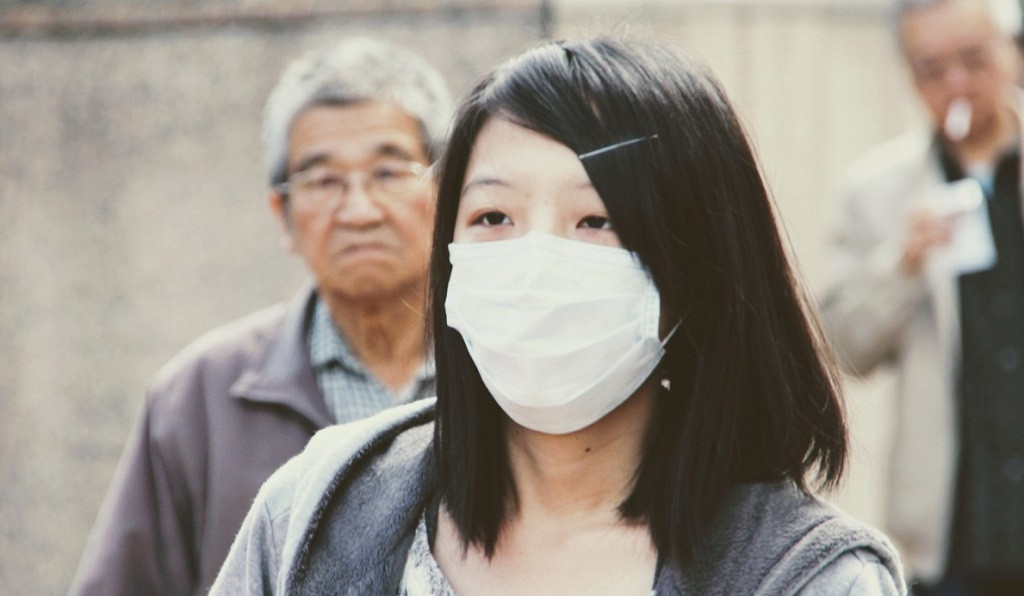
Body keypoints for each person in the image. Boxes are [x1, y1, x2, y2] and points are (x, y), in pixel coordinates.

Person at [211, 37, 905, 594]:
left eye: (596, 219)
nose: (536, 262)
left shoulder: (808, 575)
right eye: (492, 216)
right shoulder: (314, 512)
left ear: (697, 269)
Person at [69, 37, 452, 595]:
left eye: (389, 172)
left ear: (442, 193)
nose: (359, 210)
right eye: (323, 181)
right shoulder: (198, 398)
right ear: (283, 214)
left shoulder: (502, 372)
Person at [821, 0, 1024, 593]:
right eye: (934, 69)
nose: (958, 83)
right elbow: (846, 349)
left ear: (1011, 50)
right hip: (954, 526)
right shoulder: (880, 189)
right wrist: (902, 264)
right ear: (910, 77)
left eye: (973, 59)